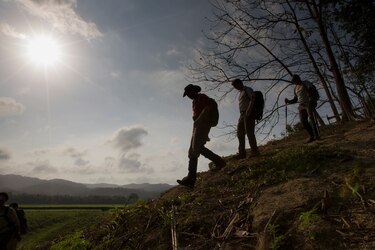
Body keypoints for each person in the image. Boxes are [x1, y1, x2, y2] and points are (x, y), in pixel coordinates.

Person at [177, 84, 226, 188]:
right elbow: (195, 118)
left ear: (194, 91)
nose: (189, 96)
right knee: (193, 150)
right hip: (197, 126)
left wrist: (200, 124)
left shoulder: (202, 97)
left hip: (203, 124)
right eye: (188, 94)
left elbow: (207, 108)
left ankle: (191, 178)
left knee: (195, 149)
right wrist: (195, 129)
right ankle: (219, 162)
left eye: (190, 93)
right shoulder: (194, 102)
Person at [285, 74, 319, 143]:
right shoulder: (295, 88)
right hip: (301, 105)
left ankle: (316, 135)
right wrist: (288, 101)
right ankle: (311, 136)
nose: (295, 82)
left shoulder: (305, 82)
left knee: (311, 118)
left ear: (298, 79)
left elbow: (311, 88)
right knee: (303, 121)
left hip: (308, 102)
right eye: (294, 81)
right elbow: (295, 99)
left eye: (295, 80)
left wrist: (310, 95)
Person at [231, 79, 260, 159]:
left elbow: (252, 98)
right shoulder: (240, 93)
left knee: (249, 132)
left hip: (248, 113)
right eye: (234, 86)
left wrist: (249, 110)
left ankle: (255, 151)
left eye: (235, 85)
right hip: (242, 114)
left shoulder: (247, 89)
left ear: (240, 83)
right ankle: (242, 154)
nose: (235, 87)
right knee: (240, 133)